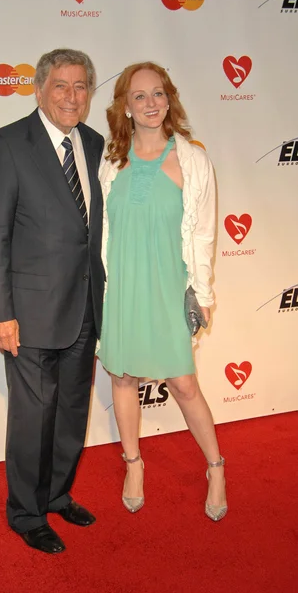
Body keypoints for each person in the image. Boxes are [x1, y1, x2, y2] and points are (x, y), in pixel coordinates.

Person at [0, 49, 105, 554]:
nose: (72, 97)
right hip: (28, 313)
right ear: (39, 89)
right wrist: (0, 313)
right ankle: (26, 512)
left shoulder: (94, 144)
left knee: (72, 410)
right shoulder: (6, 144)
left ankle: (56, 494)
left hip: (86, 306)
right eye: (61, 86)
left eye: (81, 88)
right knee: (34, 416)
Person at [97, 62, 227, 521]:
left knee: (184, 383)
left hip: (169, 286)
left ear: (169, 99)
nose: (151, 103)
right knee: (123, 379)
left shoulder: (191, 158)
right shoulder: (112, 160)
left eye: (158, 94)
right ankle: (134, 464)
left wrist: (204, 292)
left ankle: (215, 467)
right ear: (126, 107)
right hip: (122, 287)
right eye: (139, 96)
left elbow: (205, 233)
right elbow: (106, 231)